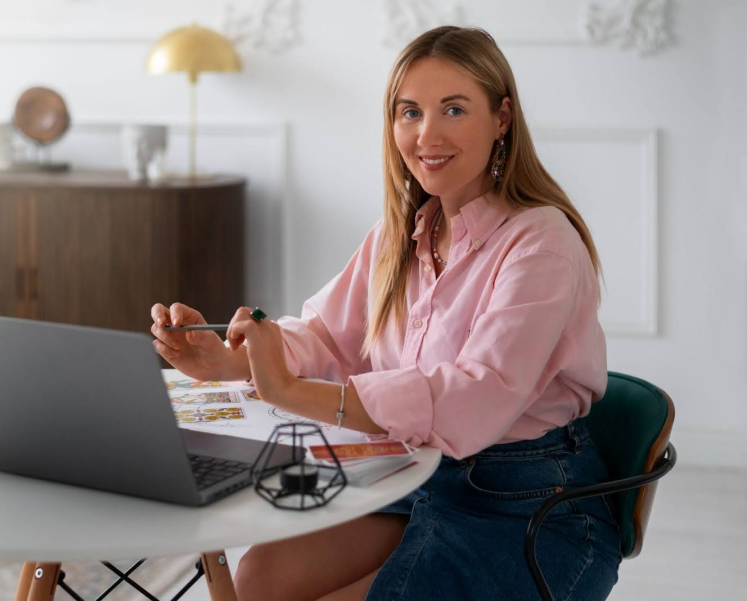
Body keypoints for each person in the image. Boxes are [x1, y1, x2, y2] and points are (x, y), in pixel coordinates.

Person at [151, 25, 621, 601]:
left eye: (453, 109)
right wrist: (233, 362)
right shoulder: (400, 235)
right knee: (259, 580)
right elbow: (327, 336)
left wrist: (291, 393)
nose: (427, 134)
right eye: (409, 112)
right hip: (413, 473)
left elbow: (477, 397)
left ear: (501, 119)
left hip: (528, 502)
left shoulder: (541, 243)